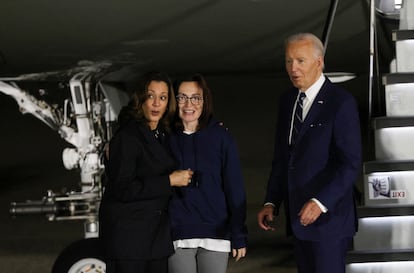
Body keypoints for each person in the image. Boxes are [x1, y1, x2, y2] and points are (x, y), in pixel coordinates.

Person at [257, 33, 361, 273]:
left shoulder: (340, 102)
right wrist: (272, 201)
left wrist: (320, 202)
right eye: (288, 61)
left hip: (329, 221)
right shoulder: (287, 101)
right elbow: (283, 158)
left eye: (300, 61)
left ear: (319, 62)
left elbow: (350, 163)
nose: (293, 68)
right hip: (298, 220)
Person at [99, 71, 193, 273]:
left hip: (153, 241)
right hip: (129, 242)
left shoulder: (161, 133)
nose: (156, 103)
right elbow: (123, 189)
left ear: (169, 103)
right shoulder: (128, 137)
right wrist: (168, 181)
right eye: (151, 96)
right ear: (140, 99)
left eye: (163, 97)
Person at [167, 73, 248, 273]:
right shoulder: (165, 139)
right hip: (178, 233)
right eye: (182, 97)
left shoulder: (222, 138)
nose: (189, 104)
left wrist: (238, 234)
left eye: (196, 98)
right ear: (174, 101)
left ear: (204, 101)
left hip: (215, 233)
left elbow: (234, 188)